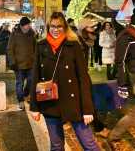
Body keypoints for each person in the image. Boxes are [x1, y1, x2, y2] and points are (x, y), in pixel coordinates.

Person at [30, 12, 99, 151]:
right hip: (50, 102)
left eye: (59, 26)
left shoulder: (73, 46)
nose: (56, 30)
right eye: (53, 26)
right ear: (48, 27)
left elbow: (83, 78)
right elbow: (35, 76)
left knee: (89, 144)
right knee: (56, 146)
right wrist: (34, 107)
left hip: (74, 103)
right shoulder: (41, 46)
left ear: (65, 27)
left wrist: (88, 109)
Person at [108, 11, 135, 150]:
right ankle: (113, 136)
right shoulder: (127, 37)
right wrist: (122, 84)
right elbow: (120, 62)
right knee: (134, 116)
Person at [8, 16, 36, 110]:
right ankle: (20, 100)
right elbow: (10, 49)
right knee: (19, 83)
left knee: (31, 81)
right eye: (27, 25)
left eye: (29, 24)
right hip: (19, 64)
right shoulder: (15, 34)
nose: (29, 26)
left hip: (30, 63)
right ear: (22, 25)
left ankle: (26, 94)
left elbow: (35, 47)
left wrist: (35, 58)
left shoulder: (32, 34)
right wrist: (12, 62)